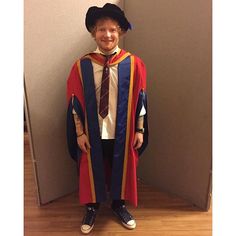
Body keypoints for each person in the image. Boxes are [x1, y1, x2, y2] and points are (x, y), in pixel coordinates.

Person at [66, 3, 148, 234]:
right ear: (93, 33)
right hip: (93, 132)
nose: (107, 34)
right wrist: (80, 133)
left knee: (119, 169)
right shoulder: (81, 66)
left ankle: (118, 204)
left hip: (121, 130)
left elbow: (141, 100)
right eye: (101, 29)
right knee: (91, 169)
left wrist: (139, 129)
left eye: (112, 29)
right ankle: (91, 208)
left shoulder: (133, 64)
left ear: (120, 32)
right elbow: (75, 103)